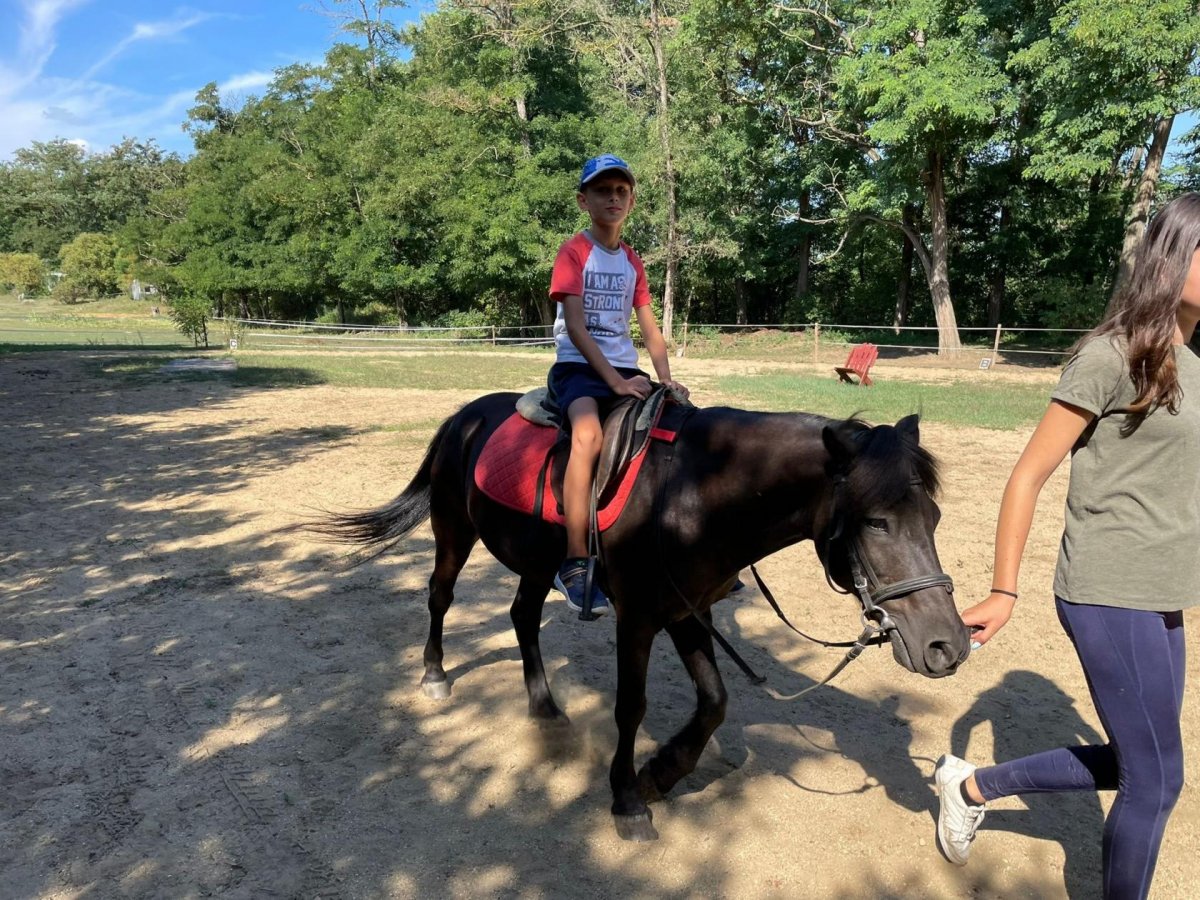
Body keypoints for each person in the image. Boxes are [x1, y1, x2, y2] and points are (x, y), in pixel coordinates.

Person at [934, 192, 1200, 899]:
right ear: (1174, 258)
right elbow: (1028, 474)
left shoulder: (1195, 363)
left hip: (1163, 591)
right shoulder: (1111, 356)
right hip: (1108, 588)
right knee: (1155, 782)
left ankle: (972, 787)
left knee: (1146, 766)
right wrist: (1004, 589)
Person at [547, 153, 689, 617]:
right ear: (583, 201)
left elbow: (648, 327)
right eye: (603, 191)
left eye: (621, 191)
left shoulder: (632, 261)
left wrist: (665, 380)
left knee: (681, 429)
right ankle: (574, 561)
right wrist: (613, 381)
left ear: (632, 201)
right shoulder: (573, 253)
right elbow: (576, 327)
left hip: (625, 371)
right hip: (579, 368)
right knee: (588, 435)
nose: (613, 198)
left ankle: (674, 541)